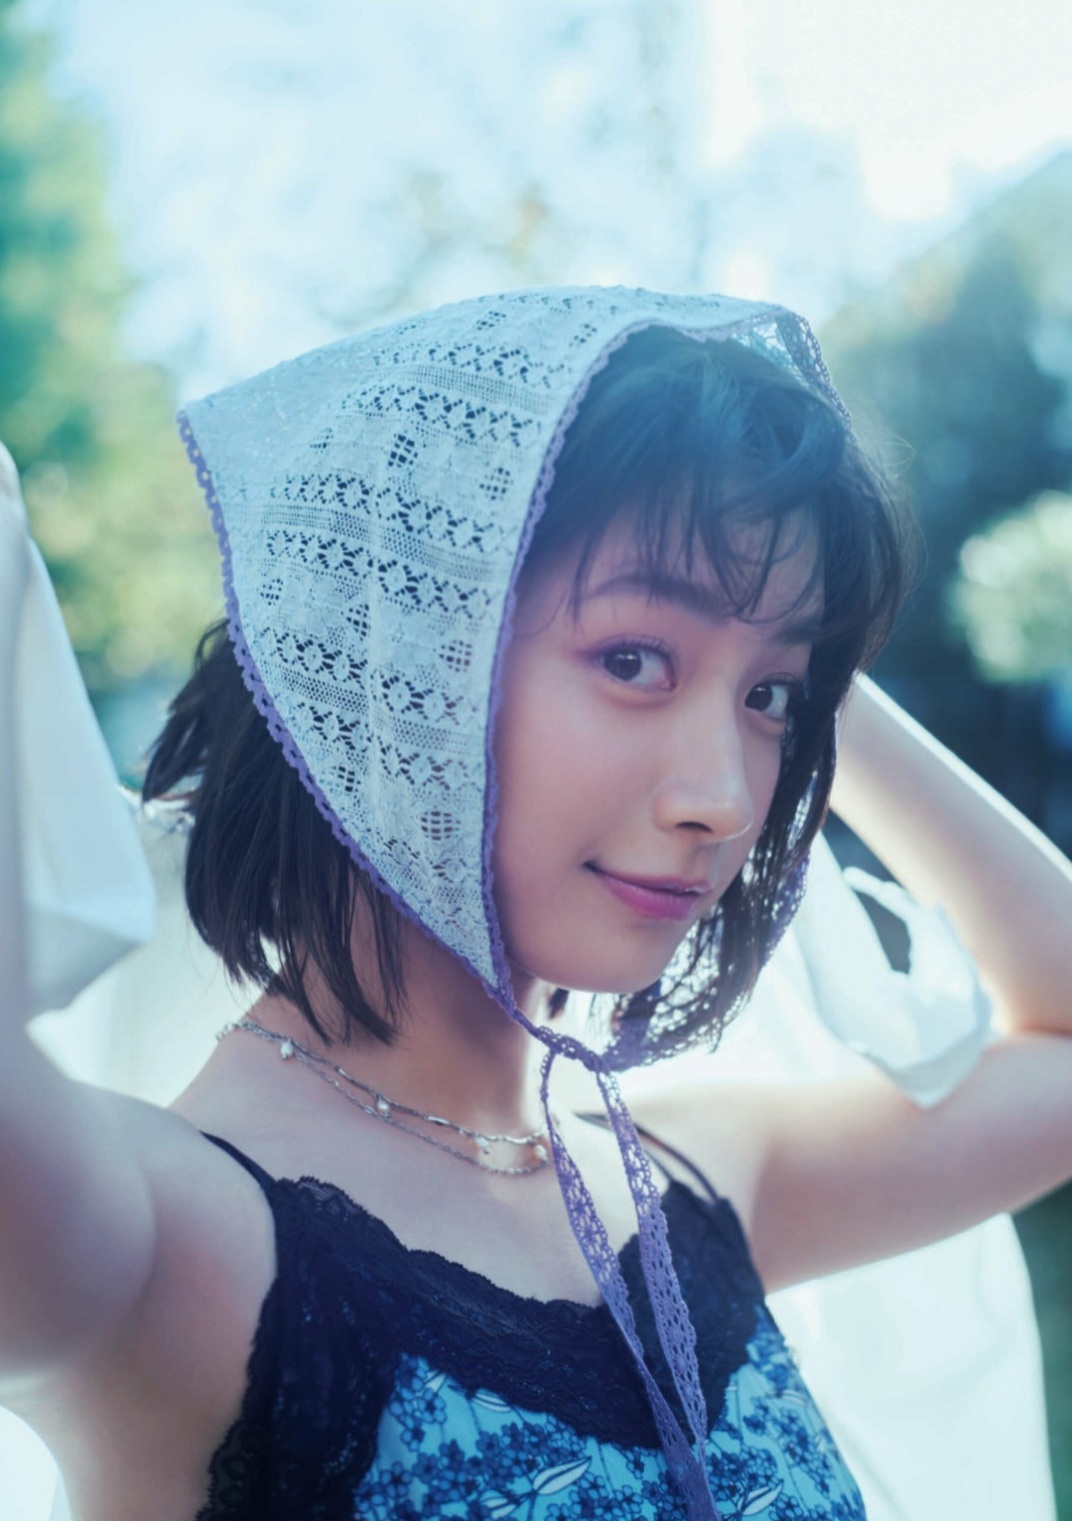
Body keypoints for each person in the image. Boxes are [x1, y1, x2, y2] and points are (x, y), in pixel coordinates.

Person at [1, 286, 1071, 1521]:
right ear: (406, 664)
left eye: (768, 704)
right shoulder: (168, 1244)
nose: (726, 800)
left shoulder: (694, 1188)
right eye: (631, 660)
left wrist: (798, 650)